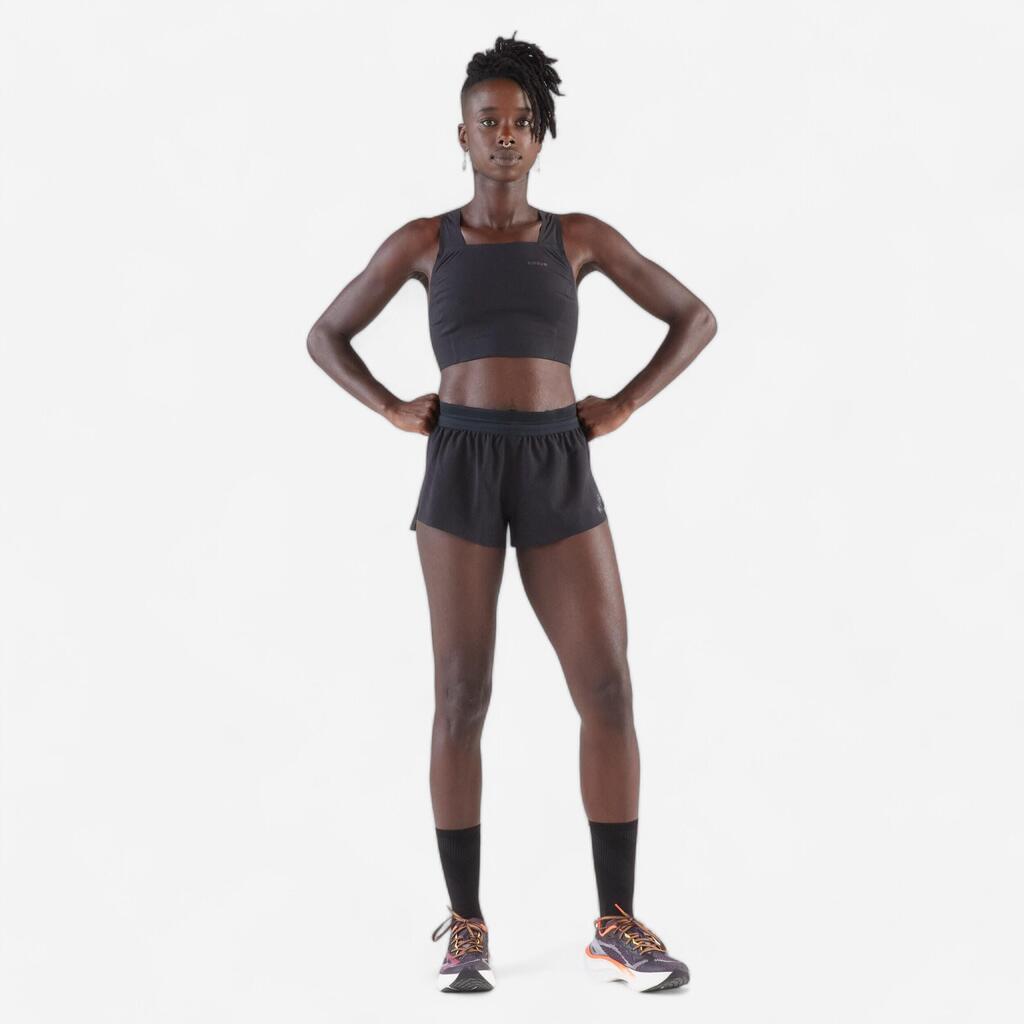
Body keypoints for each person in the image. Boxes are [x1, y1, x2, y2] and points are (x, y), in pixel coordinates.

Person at [307, 31, 717, 994]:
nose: (506, 135)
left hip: (555, 462)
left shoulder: (579, 238)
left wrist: (623, 403)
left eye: (523, 121)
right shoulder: (424, 242)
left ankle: (615, 923)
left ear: (542, 136)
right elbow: (325, 335)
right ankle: (466, 924)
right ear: (461, 133)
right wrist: (390, 406)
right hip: (460, 463)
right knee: (462, 693)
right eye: (489, 121)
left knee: (607, 686)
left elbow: (694, 316)